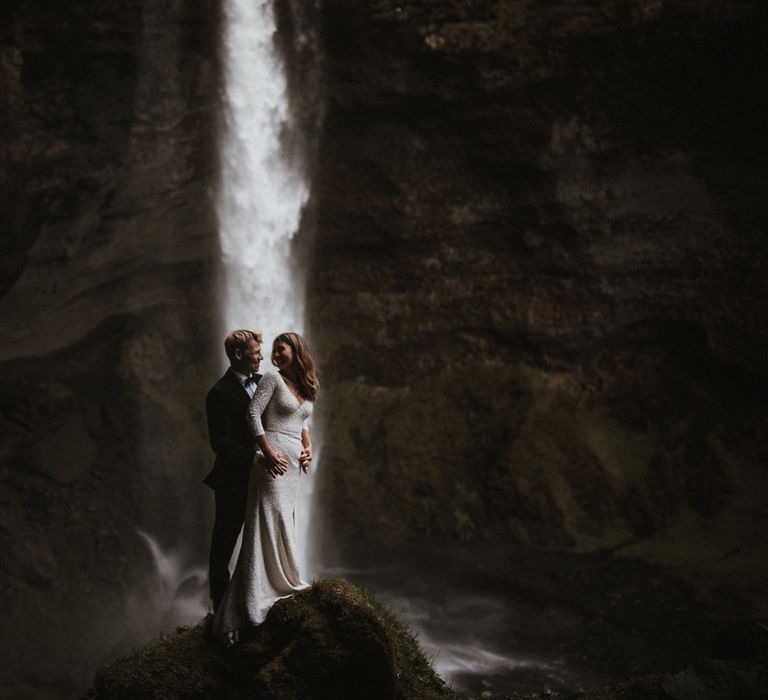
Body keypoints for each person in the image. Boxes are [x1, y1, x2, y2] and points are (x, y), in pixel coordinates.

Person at [211, 332, 319, 641]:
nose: (269, 355)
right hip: (259, 466)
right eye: (263, 351)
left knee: (283, 520)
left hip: (292, 466)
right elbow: (247, 418)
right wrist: (266, 453)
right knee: (251, 529)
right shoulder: (262, 381)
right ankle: (236, 603)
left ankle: (284, 578)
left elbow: (302, 421)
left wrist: (308, 447)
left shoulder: (296, 384)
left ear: (296, 350)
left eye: (277, 348)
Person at [204, 329, 263, 612]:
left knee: (264, 535)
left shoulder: (265, 382)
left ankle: (258, 595)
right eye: (256, 352)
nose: (261, 357)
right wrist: (255, 457)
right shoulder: (218, 393)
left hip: (265, 478)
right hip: (233, 479)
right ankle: (220, 605)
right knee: (225, 541)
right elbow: (221, 443)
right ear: (238, 355)